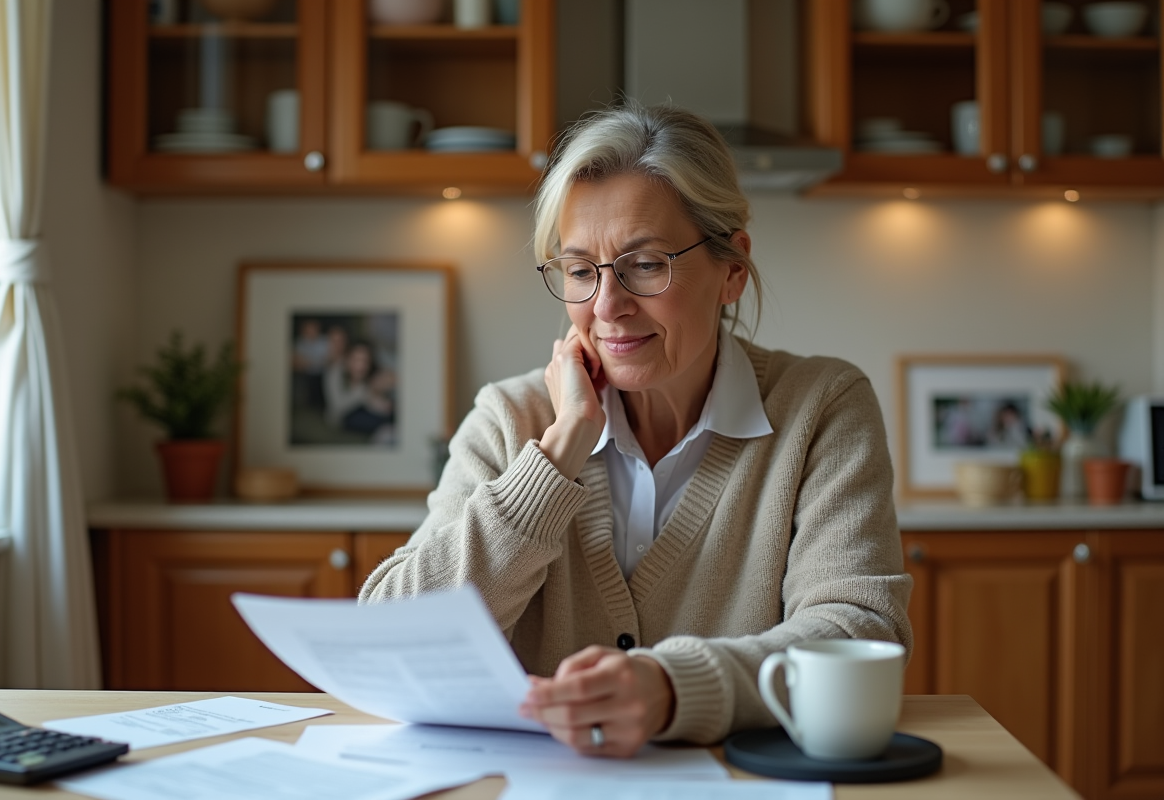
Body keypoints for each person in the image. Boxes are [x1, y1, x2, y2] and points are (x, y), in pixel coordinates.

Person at [360, 102, 912, 758]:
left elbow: (859, 631)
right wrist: (557, 455)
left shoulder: (821, 408)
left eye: (646, 265)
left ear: (732, 269)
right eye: (579, 271)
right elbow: (388, 643)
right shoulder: (512, 419)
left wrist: (670, 688)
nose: (607, 305)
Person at [323, 339, 396, 443]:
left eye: (365, 361)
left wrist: (383, 403)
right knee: (383, 422)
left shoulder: (372, 373)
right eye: (356, 359)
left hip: (366, 408)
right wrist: (367, 391)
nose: (360, 366)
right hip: (342, 416)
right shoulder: (335, 372)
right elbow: (337, 407)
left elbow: (375, 401)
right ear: (347, 359)